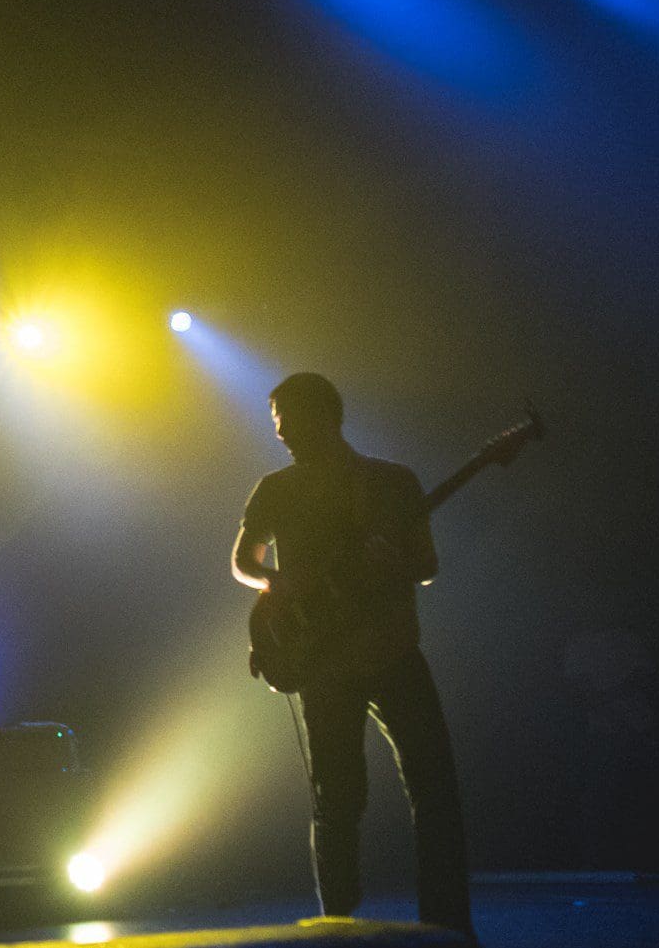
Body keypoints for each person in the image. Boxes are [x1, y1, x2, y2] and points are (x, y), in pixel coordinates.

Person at [231, 372, 474, 939]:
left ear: (324, 417)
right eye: (277, 424)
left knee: (432, 791)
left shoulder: (392, 481)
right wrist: (277, 583)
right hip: (325, 663)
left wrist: (395, 564)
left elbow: (426, 566)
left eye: (287, 421)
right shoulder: (275, 488)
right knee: (337, 800)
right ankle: (337, 930)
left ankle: (447, 929)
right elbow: (244, 561)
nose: (281, 433)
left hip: (393, 650)